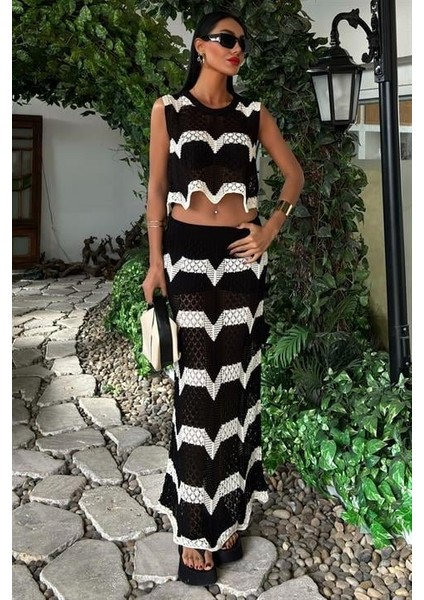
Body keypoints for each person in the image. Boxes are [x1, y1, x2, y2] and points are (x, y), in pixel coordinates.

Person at [141, 9, 304, 586]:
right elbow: (157, 189)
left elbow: (293, 175)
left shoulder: (253, 114)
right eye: (227, 39)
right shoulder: (168, 109)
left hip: (240, 258)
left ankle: (228, 515)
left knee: (233, 388)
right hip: (185, 257)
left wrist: (270, 229)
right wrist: (155, 263)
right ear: (200, 46)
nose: (237, 49)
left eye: (242, 43)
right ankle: (194, 526)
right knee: (195, 389)